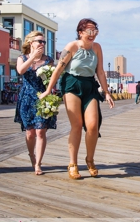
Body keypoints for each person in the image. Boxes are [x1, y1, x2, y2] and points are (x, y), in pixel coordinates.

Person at [40, 18, 114, 179]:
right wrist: (48, 90)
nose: (92, 34)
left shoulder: (97, 48)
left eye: (95, 31)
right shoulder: (71, 47)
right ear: (80, 32)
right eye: (89, 31)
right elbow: (59, 69)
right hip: (71, 84)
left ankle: (90, 159)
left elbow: (100, 71)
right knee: (77, 124)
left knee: (93, 126)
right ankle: (72, 164)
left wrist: (107, 92)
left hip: (89, 85)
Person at [13, 30, 56, 175]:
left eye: (44, 42)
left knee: (41, 131)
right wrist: (33, 58)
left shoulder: (48, 60)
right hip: (26, 98)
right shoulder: (22, 58)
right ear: (31, 43)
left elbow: (52, 78)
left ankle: (38, 163)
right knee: (30, 133)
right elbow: (20, 70)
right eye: (40, 41)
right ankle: (32, 155)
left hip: (42, 97)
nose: (42, 44)